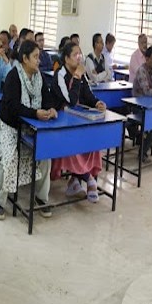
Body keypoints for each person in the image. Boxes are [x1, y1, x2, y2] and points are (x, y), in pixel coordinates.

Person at [0, 40, 57, 220]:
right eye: (35, 57)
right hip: (8, 126)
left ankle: (41, 197)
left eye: (39, 57)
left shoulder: (38, 77)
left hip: (30, 127)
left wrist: (51, 109)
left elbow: (47, 97)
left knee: (45, 156)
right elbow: (12, 107)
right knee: (9, 157)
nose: (38, 61)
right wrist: (35, 113)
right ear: (25, 59)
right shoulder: (14, 76)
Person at [50, 42, 107, 202]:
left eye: (80, 54)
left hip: (75, 118)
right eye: (76, 55)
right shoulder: (60, 75)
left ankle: (75, 180)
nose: (79, 58)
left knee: (92, 141)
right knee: (73, 143)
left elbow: (87, 94)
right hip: (59, 121)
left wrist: (97, 103)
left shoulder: (81, 73)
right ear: (66, 58)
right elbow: (71, 101)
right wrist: (76, 77)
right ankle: (89, 179)